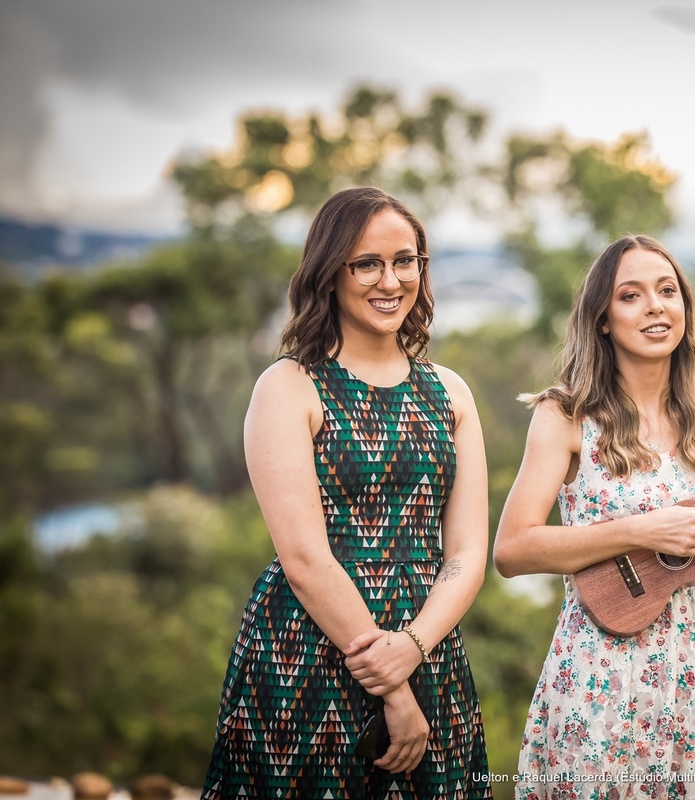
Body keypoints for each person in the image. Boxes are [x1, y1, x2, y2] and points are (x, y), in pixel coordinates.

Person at [492, 234, 695, 798]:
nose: (655, 306)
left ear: (684, 307)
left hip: (693, 665)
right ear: (603, 320)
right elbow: (512, 550)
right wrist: (639, 530)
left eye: (667, 291)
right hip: (597, 664)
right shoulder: (566, 414)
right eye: (631, 295)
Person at [202, 187, 493, 799]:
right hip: (309, 655)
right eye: (367, 264)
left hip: (429, 649)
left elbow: (467, 553)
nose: (390, 281)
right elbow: (305, 559)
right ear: (329, 272)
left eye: (405, 261)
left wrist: (413, 647)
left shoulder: (450, 392)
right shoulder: (289, 386)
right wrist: (393, 687)